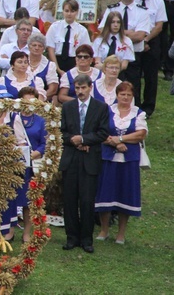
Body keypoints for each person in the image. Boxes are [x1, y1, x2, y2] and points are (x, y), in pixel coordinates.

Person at [60, 74, 110, 254]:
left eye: (83, 88)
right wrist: (74, 142)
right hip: (71, 158)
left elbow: (103, 132)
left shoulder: (101, 107)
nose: (80, 92)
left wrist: (84, 140)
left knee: (87, 200)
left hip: (90, 159)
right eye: (77, 88)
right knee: (70, 199)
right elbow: (62, 132)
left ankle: (86, 239)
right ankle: (71, 237)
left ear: (90, 87)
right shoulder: (67, 107)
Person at [95, 82, 147, 245]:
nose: (125, 98)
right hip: (108, 158)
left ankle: (121, 233)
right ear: (117, 95)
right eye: (122, 94)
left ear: (132, 97)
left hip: (129, 160)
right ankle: (104, 229)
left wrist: (122, 139)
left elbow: (141, 134)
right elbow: (100, 132)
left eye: (128, 95)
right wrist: (115, 143)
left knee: (125, 192)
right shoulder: (107, 110)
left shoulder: (138, 113)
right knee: (106, 192)